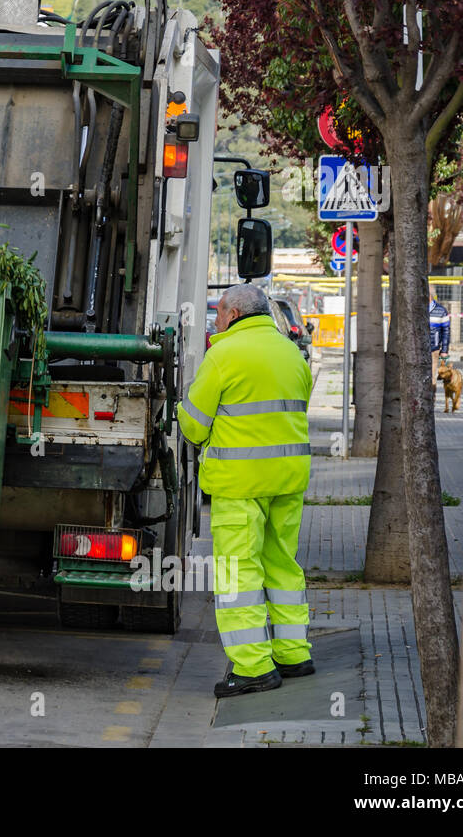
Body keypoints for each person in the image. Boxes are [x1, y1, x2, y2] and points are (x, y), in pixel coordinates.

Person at [177, 284, 313, 698]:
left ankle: (253, 667)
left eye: (218, 312)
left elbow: (194, 426)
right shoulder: (292, 352)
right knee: (282, 564)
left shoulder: (223, 356)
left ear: (233, 314)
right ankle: (293, 654)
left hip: (240, 483)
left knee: (238, 572)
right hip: (288, 478)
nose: (216, 320)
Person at [429, 295, 450, 375]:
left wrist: (444, 350)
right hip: (416, 349)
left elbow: (446, 331)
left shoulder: (441, 311)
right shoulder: (416, 309)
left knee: (432, 377)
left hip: (433, 349)